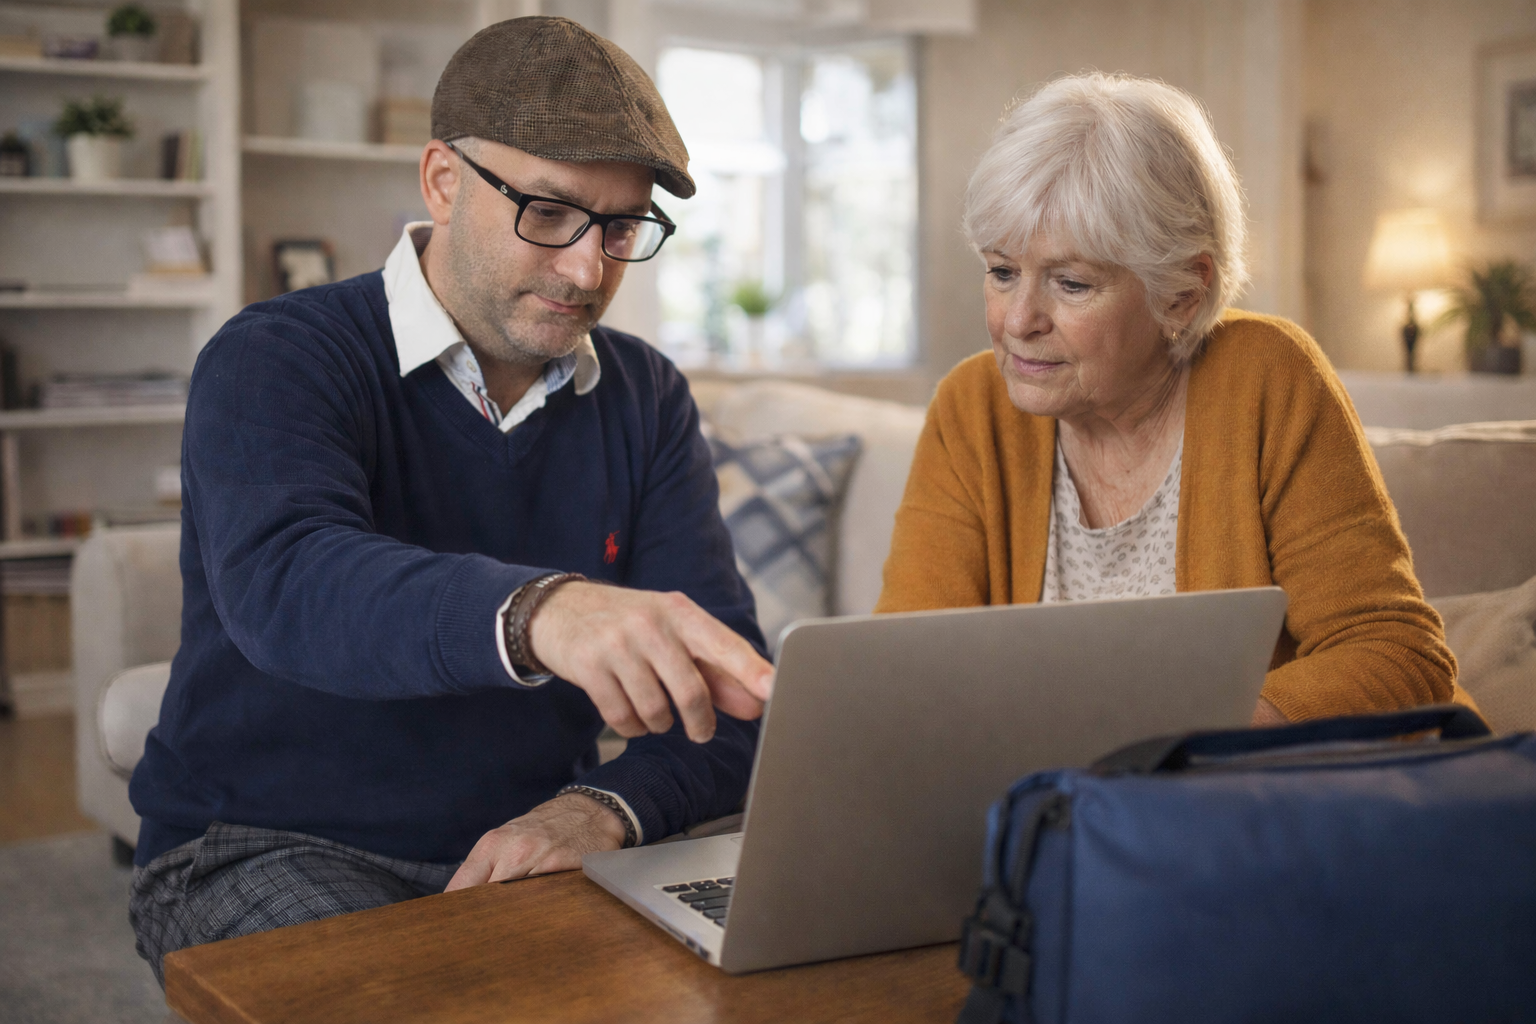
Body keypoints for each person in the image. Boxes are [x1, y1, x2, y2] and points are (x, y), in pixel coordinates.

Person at [127, 16, 773, 983]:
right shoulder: (276, 356)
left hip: (531, 846)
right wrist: (539, 613)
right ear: (441, 179)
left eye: (621, 227)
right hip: (265, 840)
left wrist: (597, 811)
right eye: (549, 213)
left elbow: (728, 698)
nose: (588, 269)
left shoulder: (645, 398)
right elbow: (289, 583)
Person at [877, 73, 1466, 723]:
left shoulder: (1267, 380)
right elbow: (908, 673)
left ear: (1182, 293)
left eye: (1071, 283)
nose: (1018, 321)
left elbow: (1396, 654)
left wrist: (1195, 740)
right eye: (1003, 272)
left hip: (1250, 800)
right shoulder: (971, 409)